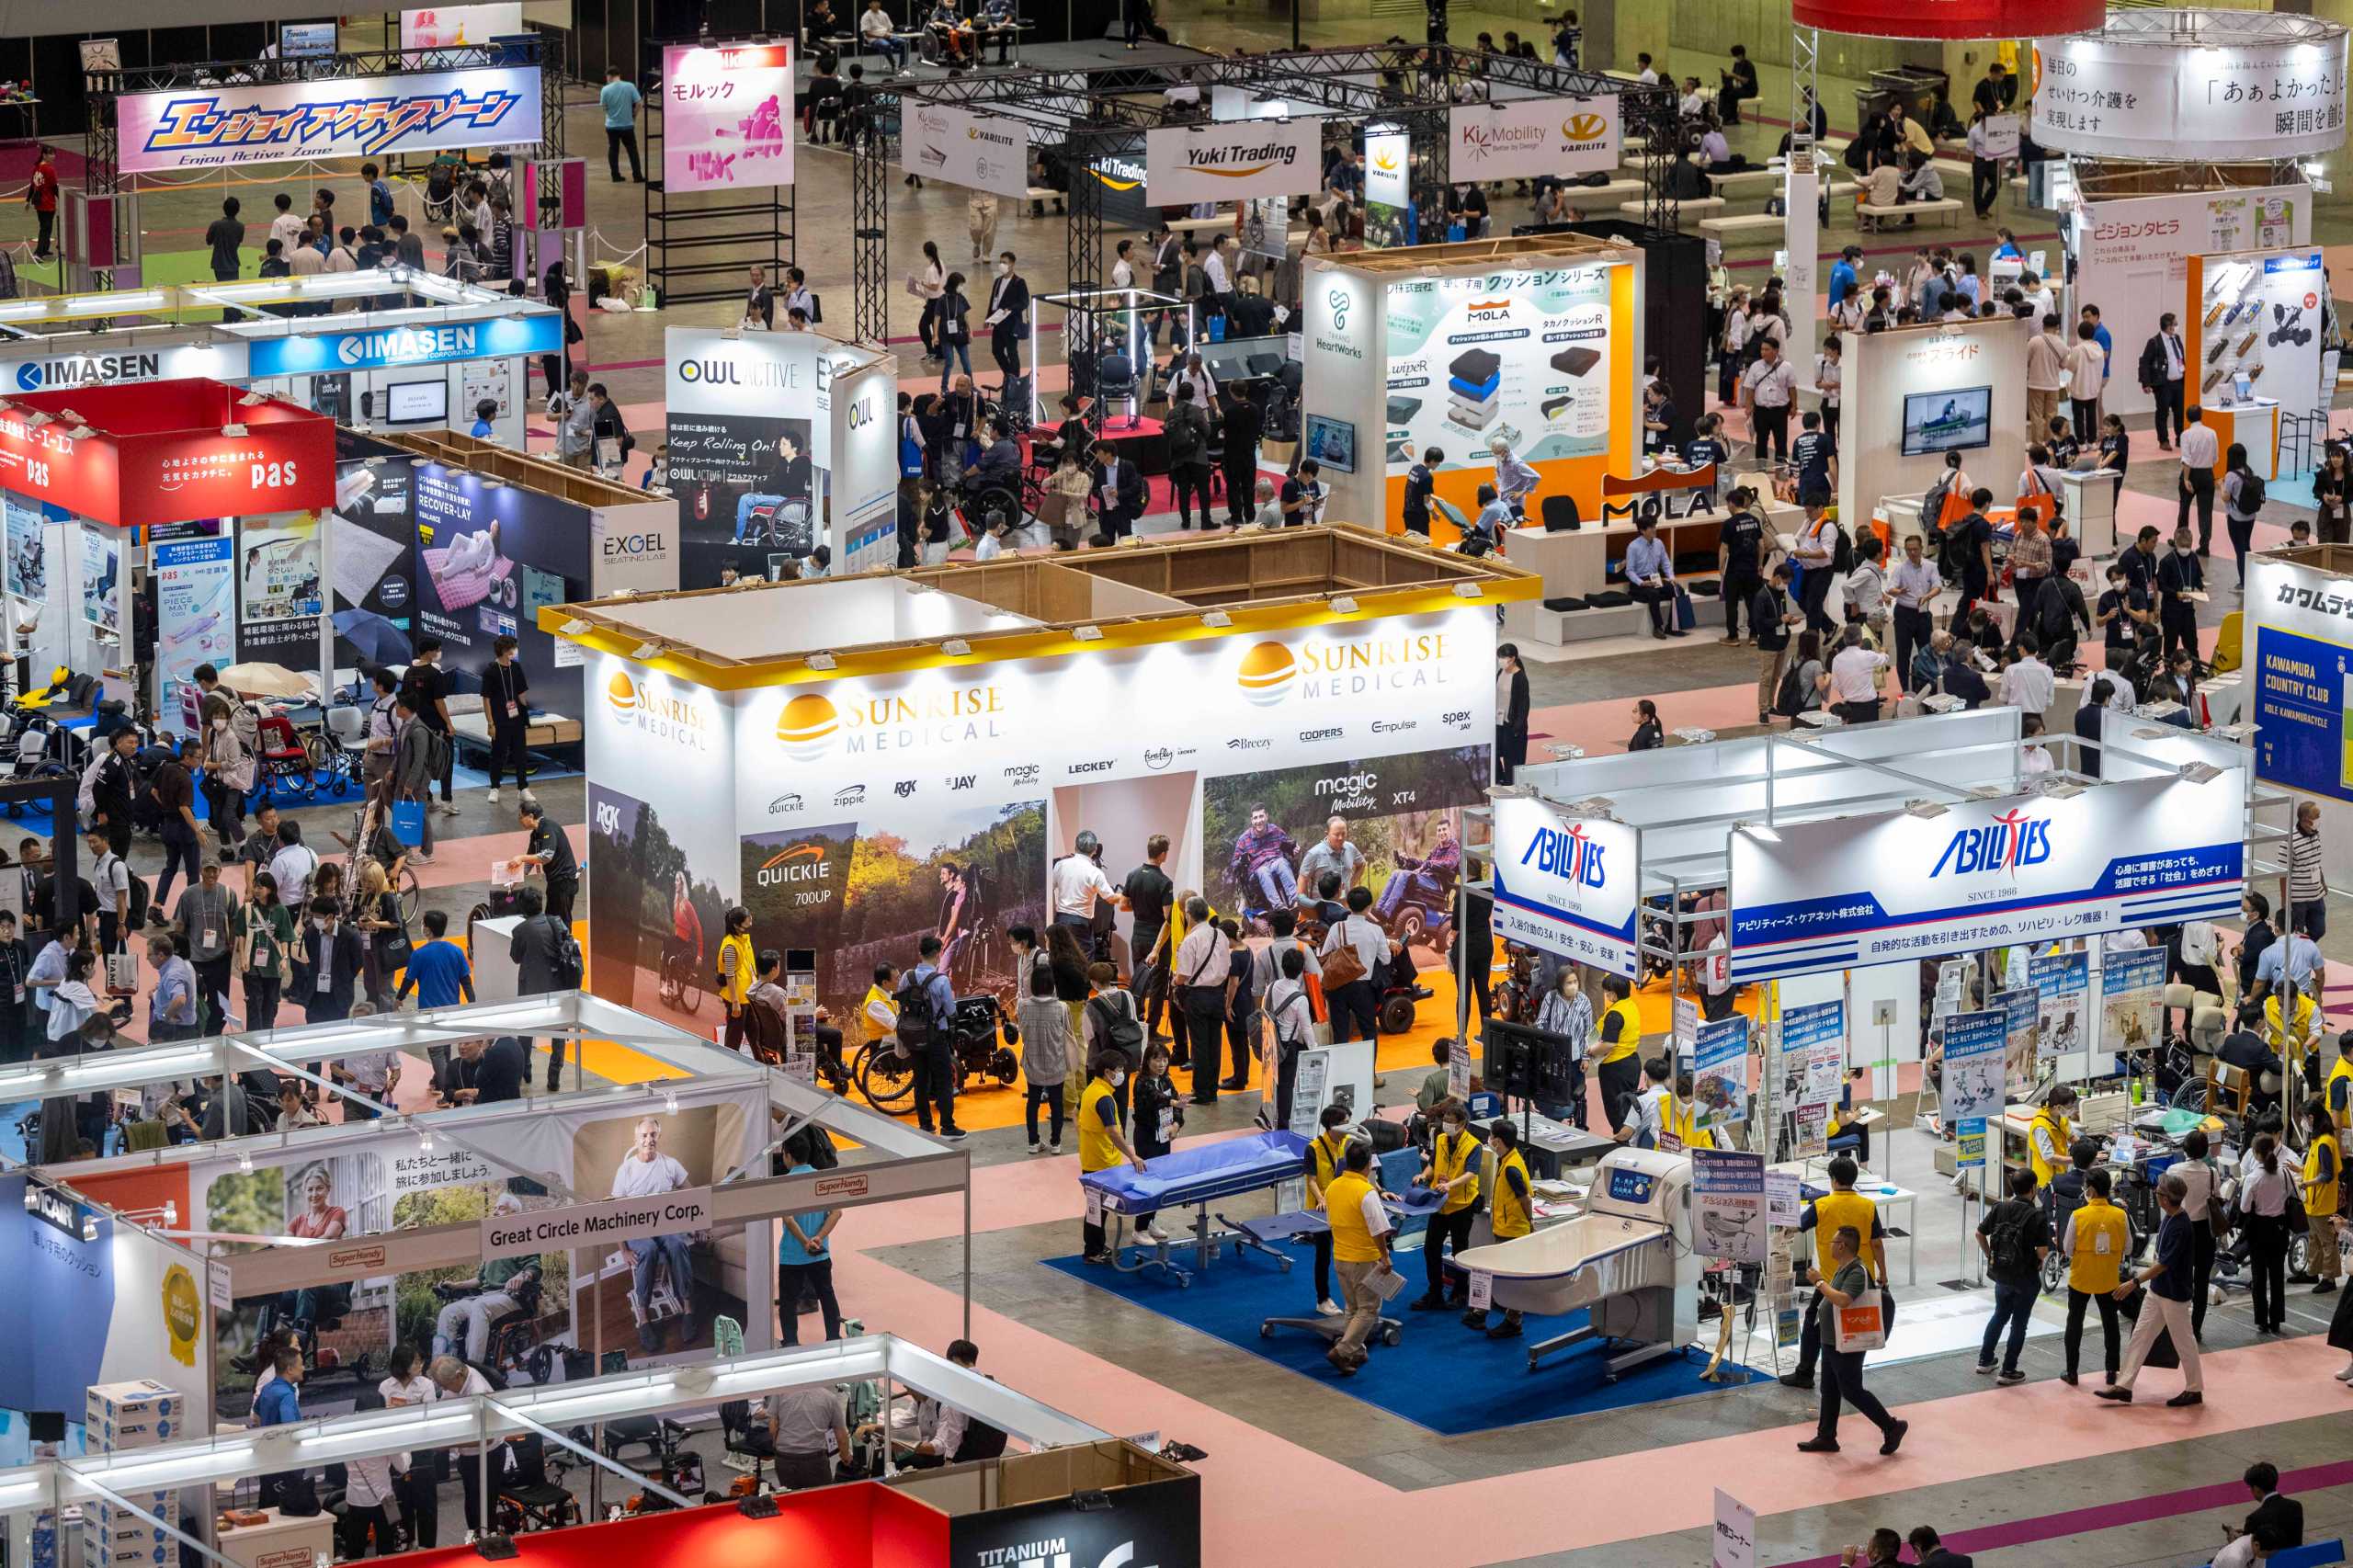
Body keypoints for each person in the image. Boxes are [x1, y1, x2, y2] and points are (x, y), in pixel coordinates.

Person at [1797, 1225, 1908, 1454]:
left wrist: (1819, 1282)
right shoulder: (1843, 1268)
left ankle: (1891, 1426)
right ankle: (1826, 1436)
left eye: (1833, 1242)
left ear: (1842, 1246)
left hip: (1848, 1341)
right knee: (1829, 1388)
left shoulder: (1857, 1272)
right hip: (1832, 1340)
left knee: (1851, 1390)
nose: (1830, 1246)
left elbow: (1843, 1300)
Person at [2097, 1171, 2204, 1405]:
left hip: (2174, 1295)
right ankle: (2124, 1386)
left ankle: (2194, 1389)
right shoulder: (2170, 1218)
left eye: (2158, 1192)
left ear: (2165, 1198)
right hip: (2158, 1291)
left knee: (2184, 1342)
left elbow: (2164, 1264)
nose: (2155, 1194)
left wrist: (2134, 1282)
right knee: (2140, 1335)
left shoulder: (2180, 1226)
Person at [1780, 1157, 1886, 1391]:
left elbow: (1796, 1226)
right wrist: (1883, 1274)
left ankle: (1806, 1372)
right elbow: (1877, 1243)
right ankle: (1851, 1374)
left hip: (1831, 1280)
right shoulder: (1868, 1206)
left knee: (1814, 1322)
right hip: (1862, 1278)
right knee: (1857, 1327)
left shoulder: (1822, 1205)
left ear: (1833, 1180)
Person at [1974, 1166, 2052, 1382]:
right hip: (2026, 1276)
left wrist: (1990, 1255)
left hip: (2002, 1273)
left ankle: (1985, 1360)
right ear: (2033, 1188)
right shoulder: (2037, 1216)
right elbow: (2042, 1252)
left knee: (1999, 1315)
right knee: (2019, 1323)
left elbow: (1979, 1233)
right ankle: (2008, 1370)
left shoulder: (1999, 1208)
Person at [2059, 1165, 2129, 1386]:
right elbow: (2128, 1247)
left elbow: (2067, 1249)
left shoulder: (2078, 1215)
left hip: (2081, 1278)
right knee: (2111, 1324)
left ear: (2090, 1190)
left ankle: (2072, 1372)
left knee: (2075, 1323)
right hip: (2108, 1278)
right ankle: (2111, 1370)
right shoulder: (2120, 1215)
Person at [775, 1130, 844, 1346]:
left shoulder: (784, 1184)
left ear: (788, 1155)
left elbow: (788, 1219)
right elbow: (836, 1213)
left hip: (792, 1255)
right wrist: (818, 1239)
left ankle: (791, 1342)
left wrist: (805, 1242)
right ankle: (834, 1338)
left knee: (788, 1302)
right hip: (820, 1254)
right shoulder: (823, 1179)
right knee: (827, 1296)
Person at [1077, 1052, 1145, 1264]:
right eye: (1119, 1070)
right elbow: (1113, 1132)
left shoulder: (1091, 1090)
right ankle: (1093, 1251)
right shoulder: (1104, 1098)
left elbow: (1076, 1115)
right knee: (1097, 1210)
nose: (1122, 1074)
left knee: (1097, 1208)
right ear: (1107, 1072)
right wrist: (1132, 1155)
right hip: (1103, 1163)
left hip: (1092, 1159)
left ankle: (1096, 1246)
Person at [902, 934, 964, 1139]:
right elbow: (950, 1010)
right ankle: (947, 1127)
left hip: (913, 1036)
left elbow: (901, 1004)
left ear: (920, 953)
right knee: (943, 1081)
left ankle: (926, 1126)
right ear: (938, 954)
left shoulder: (906, 977)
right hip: (936, 1036)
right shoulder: (941, 980)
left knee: (920, 1081)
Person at [2302, 1094, 2342, 1295]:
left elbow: (2327, 1175)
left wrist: (2306, 1184)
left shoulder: (2325, 1142)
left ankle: (2329, 1278)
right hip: (2313, 1201)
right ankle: (2312, 1272)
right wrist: (2299, 1170)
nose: (2303, 1122)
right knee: (2314, 1239)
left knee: (2327, 1241)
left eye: (2303, 1118)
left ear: (2311, 1118)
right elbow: (2314, 1167)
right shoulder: (2318, 1140)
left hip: (2322, 1202)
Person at [1741, 335, 1796, 462]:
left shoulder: (1787, 366)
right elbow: (1749, 388)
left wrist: (1794, 406)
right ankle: (1760, 468)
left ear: (1776, 351)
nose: (1763, 352)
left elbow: (1792, 388)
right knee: (1761, 441)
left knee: (1781, 441)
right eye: (1762, 349)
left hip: (1780, 410)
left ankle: (1781, 468)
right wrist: (1748, 407)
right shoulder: (1755, 366)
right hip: (1761, 410)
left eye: (1767, 349)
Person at [2139, 313, 2188, 450]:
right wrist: (2146, 383)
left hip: (2179, 382)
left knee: (2180, 412)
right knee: (2162, 412)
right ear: (2168, 326)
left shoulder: (2177, 338)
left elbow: (2180, 358)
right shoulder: (2154, 342)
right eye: (2175, 324)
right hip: (2163, 384)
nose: (2177, 326)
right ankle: (2163, 440)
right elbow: (2144, 363)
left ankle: (2180, 438)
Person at [2222, 441, 2265, 588]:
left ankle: (2244, 582)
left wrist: (2220, 486)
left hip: (2235, 517)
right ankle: (2251, 578)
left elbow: (2226, 497)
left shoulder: (2231, 475)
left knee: (2240, 551)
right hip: (2250, 516)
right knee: (2246, 546)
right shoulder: (2249, 471)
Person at [2178, 405, 2219, 553]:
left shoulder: (2186, 434)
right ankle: (2205, 545)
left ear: (2187, 417)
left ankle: (2181, 542)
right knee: (2206, 511)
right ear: (2201, 415)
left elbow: (2186, 459)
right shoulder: (2212, 433)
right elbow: (2215, 458)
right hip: (2207, 474)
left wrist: (2186, 479)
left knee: (2184, 508)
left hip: (2191, 474)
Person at [600, 65, 643, 181]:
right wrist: (634, 116)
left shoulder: (605, 90)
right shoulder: (630, 86)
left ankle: (615, 175)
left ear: (609, 76)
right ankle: (637, 176)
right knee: (632, 151)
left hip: (611, 126)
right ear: (619, 75)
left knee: (613, 150)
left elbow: (604, 107)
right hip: (627, 125)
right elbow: (639, 103)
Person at [1495, 642, 1531, 784]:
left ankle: (1511, 783)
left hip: (1512, 725)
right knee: (1495, 752)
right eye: (1499, 657)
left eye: (1503, 658)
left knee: (1511, 757)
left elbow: (1524, 705)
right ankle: (1500, 778)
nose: (1500, 660)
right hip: (1498, 721)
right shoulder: (1501, 673)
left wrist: (1518, 726)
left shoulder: (1520, 677)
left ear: (1512, 659)